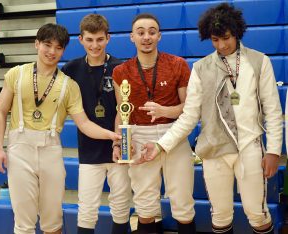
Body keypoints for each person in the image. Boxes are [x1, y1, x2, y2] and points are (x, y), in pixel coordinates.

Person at [142, 3, 282, 234]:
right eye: (215, 40)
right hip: (214, 147)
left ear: (236, 32)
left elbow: (274, 111)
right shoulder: (200, 68)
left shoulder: (260, 61)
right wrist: (160, 145)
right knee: (220, 213)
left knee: (257, 212)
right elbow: (189, 117)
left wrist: (274, 150)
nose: (222, 44)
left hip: (249, 146)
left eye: (226, 38)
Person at [0, 23, 121, 234]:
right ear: (36, 44)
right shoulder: (16, 74)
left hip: (51, 150)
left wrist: (113, 135)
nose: (52, 52)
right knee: (23, 222)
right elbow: (0, 112)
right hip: (19, 149)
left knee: (53, 221)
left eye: (58, 47)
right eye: (47, 45)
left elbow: (85, 124)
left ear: (63, 50)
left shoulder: (69, 85)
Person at [112, 13, 196, 234]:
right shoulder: (120, 72)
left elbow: (187, 108)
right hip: (139, 135)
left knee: (183, 203)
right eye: (141, 33)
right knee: (145, 205)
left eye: (151, 32)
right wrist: (118, 143)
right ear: (132, 37)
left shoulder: (178, 64)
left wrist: (164, 110)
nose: (146, 37)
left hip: (174, 134)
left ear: (159, 36)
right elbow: (121, 113)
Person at [61, 14, 132, 234]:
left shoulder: (121, 68)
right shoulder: (70, 69)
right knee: (87, 209)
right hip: (89, 149)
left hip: (118, 147)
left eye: (100, 39)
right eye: (90, 40)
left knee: (121, 207)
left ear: (108, 38)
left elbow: (125, 109)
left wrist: (119, 143)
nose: (95, 45)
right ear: (81, 39)